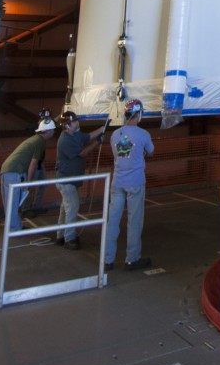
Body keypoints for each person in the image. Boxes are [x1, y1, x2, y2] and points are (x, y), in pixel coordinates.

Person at [104, 99, 154, 271]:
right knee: (134, 221)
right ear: (139, 114)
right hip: (135, 183)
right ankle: (132, 259)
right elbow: (151, 151)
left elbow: (117, 156)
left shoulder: (114, 135)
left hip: (117, 182)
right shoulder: (143, 134)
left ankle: (107, 259)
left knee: (113, 221)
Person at [55, 110, 107, 249]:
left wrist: (102, 128)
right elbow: (82, 153)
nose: (77, 123)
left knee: (65, 208)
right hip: (66, 180)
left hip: (69, 179)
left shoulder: (75, 134)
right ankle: (69, 238)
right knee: (72, 207)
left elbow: (87, 137)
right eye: (74, 122)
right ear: (67, 126)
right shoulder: (65, 141)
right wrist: (98, 142)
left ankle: (61, 235)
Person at [0, 115, 57, 231]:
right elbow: (33, 163)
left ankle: (14, 226)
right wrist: (28, 183)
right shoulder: (39, 143)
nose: (54, 132)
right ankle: (14, 228)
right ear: (48, 131)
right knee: (14, 201)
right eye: (53, 130)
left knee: (11, 201)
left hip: (8, 169)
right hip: (15, 172)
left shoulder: (34, 139)